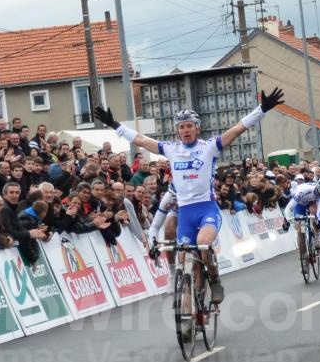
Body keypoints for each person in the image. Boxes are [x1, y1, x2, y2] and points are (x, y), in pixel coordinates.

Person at [94, 87, 284, 304]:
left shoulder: (210, 146)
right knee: (186, 259)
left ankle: (214, 280)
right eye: (181, 127)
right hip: (184, 213)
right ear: (178, 131)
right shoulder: (171, 149)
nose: (185, 130)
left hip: (206, 209)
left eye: (189, 126)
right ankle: (189, 308)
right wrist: (115, 125)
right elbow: (140, 140)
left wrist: (262, 110)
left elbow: (237, 129)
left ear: (197, 128)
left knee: (203, 245)